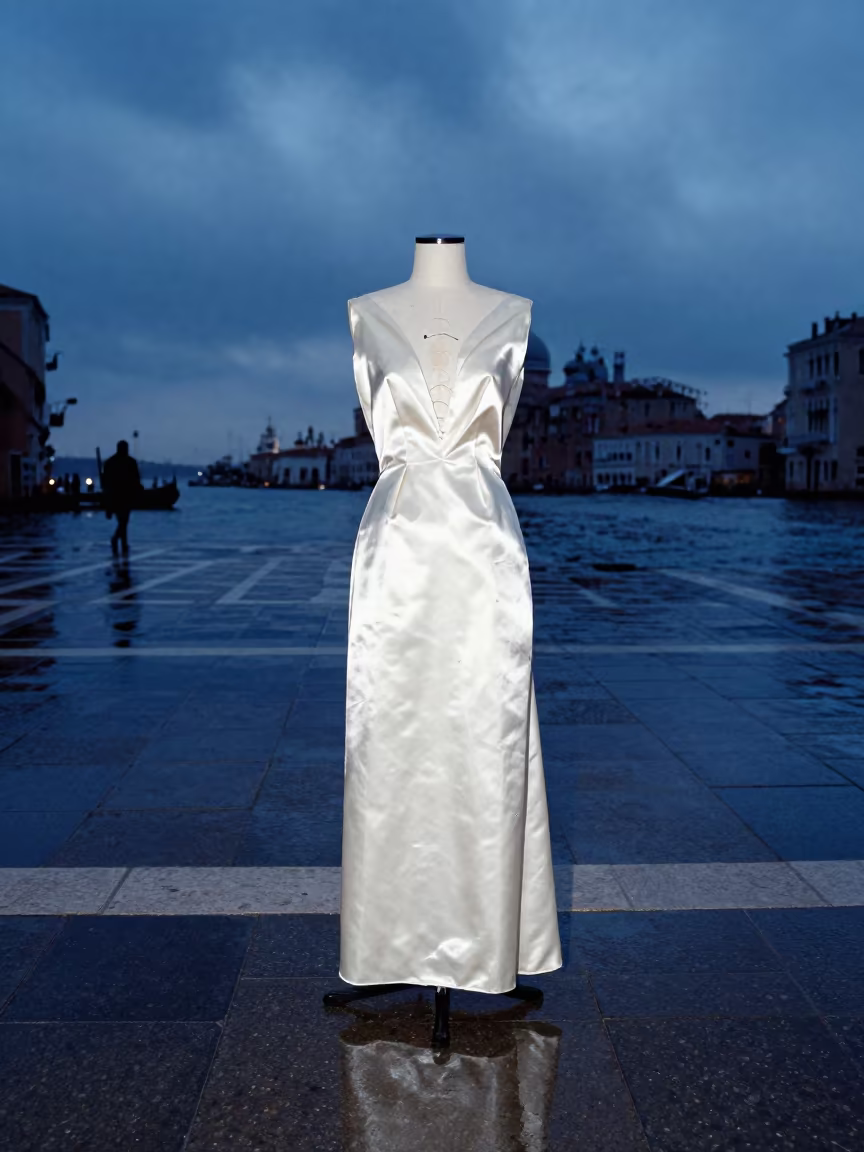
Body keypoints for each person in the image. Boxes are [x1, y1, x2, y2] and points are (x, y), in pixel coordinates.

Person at [102, 439, 142, 555]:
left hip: (117, 494)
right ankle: (118, 539)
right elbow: (136, 478)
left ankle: (122, 541)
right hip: (124, 494)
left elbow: (105, 481)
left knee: (123, 519)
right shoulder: (130, 462)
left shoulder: (110, 462)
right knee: (124, 520)